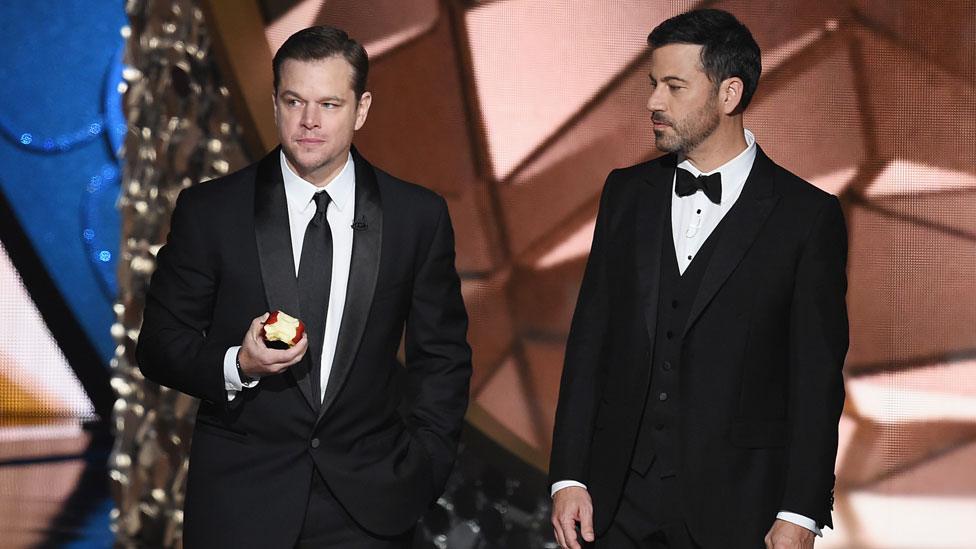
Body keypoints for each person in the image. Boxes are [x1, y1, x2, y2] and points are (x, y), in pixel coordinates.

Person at [137, 25, 472, 548]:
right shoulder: (211, 211)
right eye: (294, 101)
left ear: (361, 109)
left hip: (371, 507)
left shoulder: (417, 217)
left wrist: (425, 464)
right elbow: (159, 345)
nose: (310, 122)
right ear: (274, 103)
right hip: (241, 506)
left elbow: (443, 356)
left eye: (329, 104)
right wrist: (238, 365)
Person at [549, 9, 848, 549]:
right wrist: (569, 475)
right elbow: (589, 341)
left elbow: (815, 381)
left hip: (738, 511)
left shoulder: (807, 217)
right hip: (615, 503)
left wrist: (800, 512)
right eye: (651, 84)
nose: (653, 102)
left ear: (728, 94)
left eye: (674, 86)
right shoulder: (626, 193)